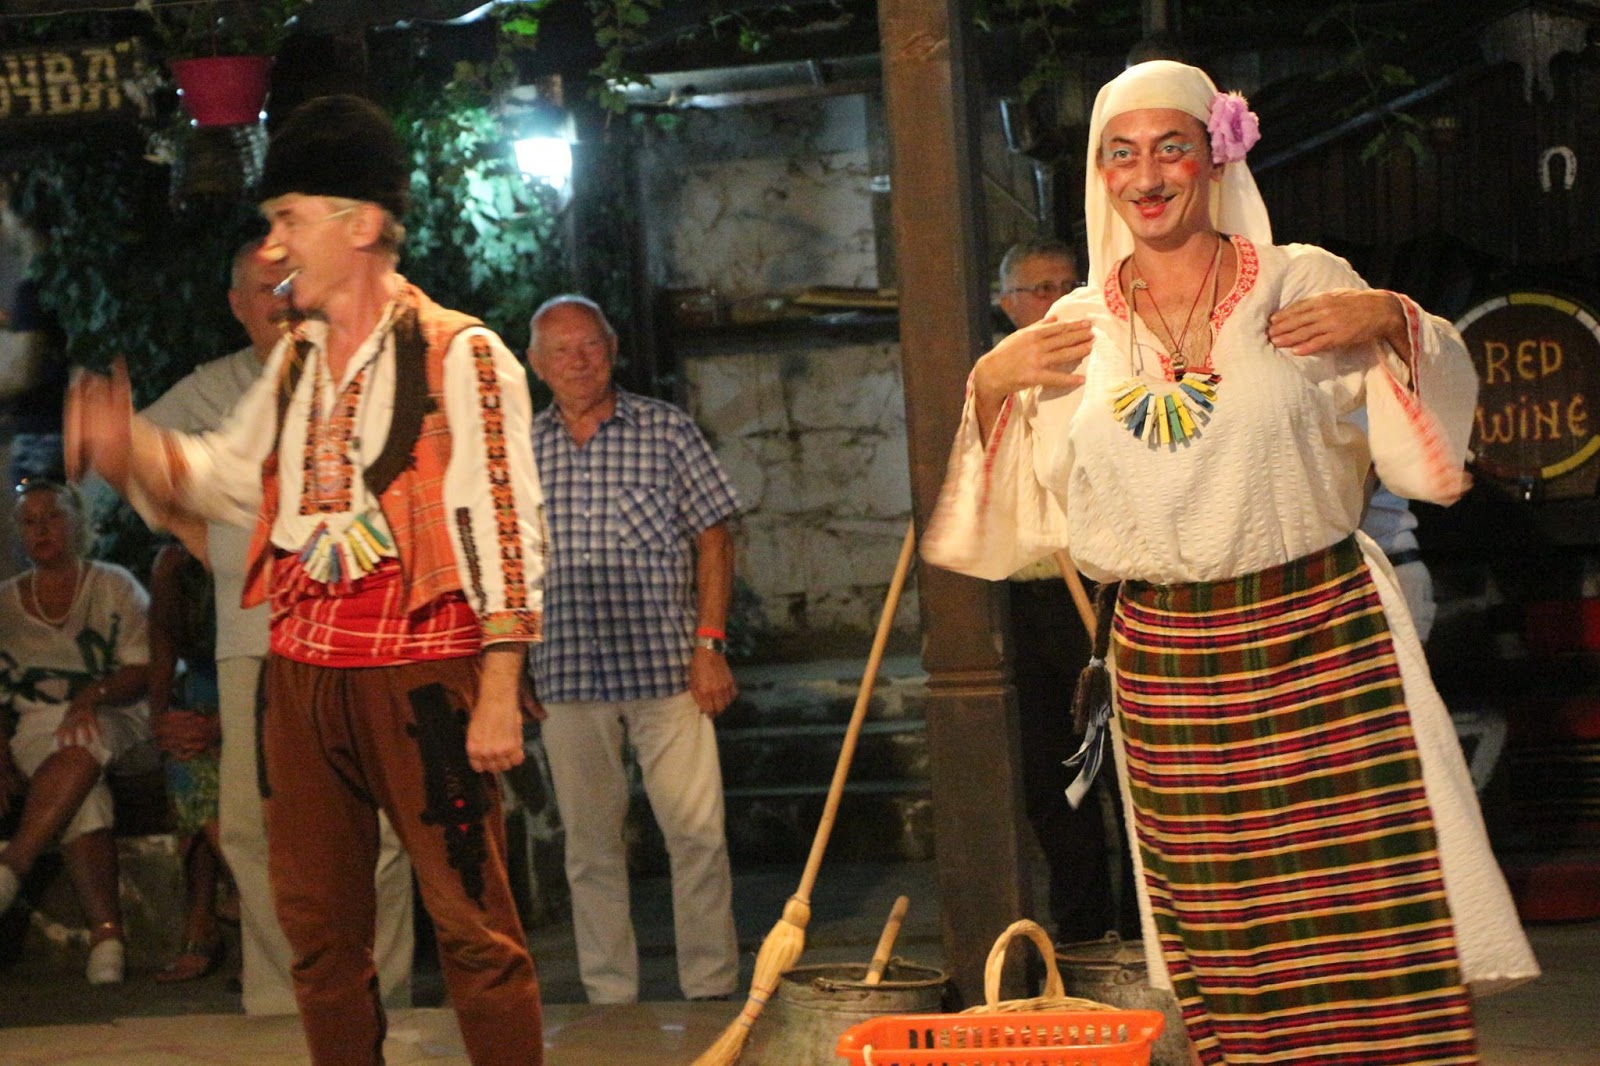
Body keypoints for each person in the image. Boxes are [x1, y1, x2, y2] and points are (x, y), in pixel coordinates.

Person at [923, 59, 1539, 1064]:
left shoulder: (1302, 281)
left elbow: (1424, 459)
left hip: (1319, 630)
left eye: (1171, 147)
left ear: (1215, 156)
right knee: (1228, 924)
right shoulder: (1074, 329)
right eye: (1121, 154)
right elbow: (1014, 521)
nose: (1147, 175)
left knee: (1365, 904)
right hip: (1168, 658)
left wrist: (1393, 319)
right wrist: (989, 385)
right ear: (1100, 174)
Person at [66, 95, 546, 1064]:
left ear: (359, 224)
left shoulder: (461, 353)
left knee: (471, 922)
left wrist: (500, 682)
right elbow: (227, 477)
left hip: (421, 674)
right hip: (303, 674)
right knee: (317, 931)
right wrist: (132, 450)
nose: (276, 244)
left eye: (289, 218)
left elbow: (504, 521)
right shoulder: (299, 363)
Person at [141, 239, 415, 1013]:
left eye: (295, 282)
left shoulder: (362, 368)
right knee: (254, 829)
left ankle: (380, 997)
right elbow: (134, 452)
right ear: (237, 305)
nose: (285, 298)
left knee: (379, 828)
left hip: (362, 630)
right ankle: (281, 998)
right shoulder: (215, 386)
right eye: (267, 287)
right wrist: (198, 540)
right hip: (254, 640)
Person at [524, 294, 740, 1005]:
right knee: (589, 847)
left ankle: (710, 987)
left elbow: (715, 537)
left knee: (696, 836)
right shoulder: (519, 448)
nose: (578, 361)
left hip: (668, 667)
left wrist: (710, 644)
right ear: (536, 364)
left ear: (612, 350)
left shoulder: (665, 429)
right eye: (561, 350)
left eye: (590, 344)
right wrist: (508, 667)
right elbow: (505, 562)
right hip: (565, 670)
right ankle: (609, 997)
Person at [991, 237, 1138, 945]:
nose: (1055, 302)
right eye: (1038, 290)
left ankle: (1143, 932)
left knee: (1122, 770)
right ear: (1007, 305)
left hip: (1105, 596)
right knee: (1054, 778)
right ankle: (1082, 930)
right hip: (1030, 601)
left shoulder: (1110, 370)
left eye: (1065, 285)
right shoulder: (994, 379)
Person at [0, 479, 153, 985]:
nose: (41, 530)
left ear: (77, 523)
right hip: (36, 725)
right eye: (30, 522)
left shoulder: (114, 584)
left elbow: (143, 666)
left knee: (84, 737)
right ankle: (108, 936)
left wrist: (90, 698)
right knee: (83, 790)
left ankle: (11, 866)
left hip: (115, 713)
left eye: (53, 517)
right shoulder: (5, 604)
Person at [146, 538, 229, 982]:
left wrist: (222, 725)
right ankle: (225, 908)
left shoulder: (248, 546)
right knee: (186, 764)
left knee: (212, 766)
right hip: (200, 693)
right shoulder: (173, 563)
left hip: (258, 692)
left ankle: (221, 917)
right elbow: (163, 649)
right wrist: (161, 723)